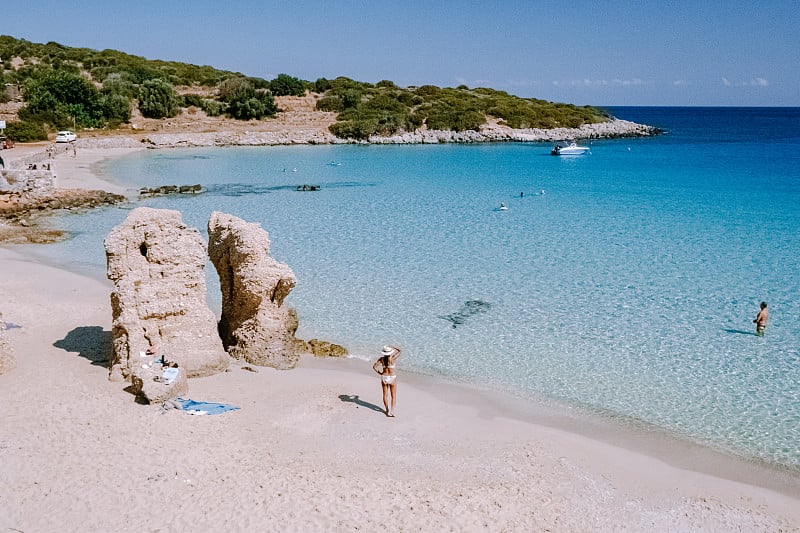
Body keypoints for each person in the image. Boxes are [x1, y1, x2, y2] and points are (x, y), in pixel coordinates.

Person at [372, 345, 401, 417]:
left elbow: (374, 367)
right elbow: (400, 351)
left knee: (385, 395)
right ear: (390, 352)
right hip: (392, 377)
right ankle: (392, 411)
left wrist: (380, 373)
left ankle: (387, 410)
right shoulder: (392, 358)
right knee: (393, 396)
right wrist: (393, 347)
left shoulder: (381, 359)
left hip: (384, 377)